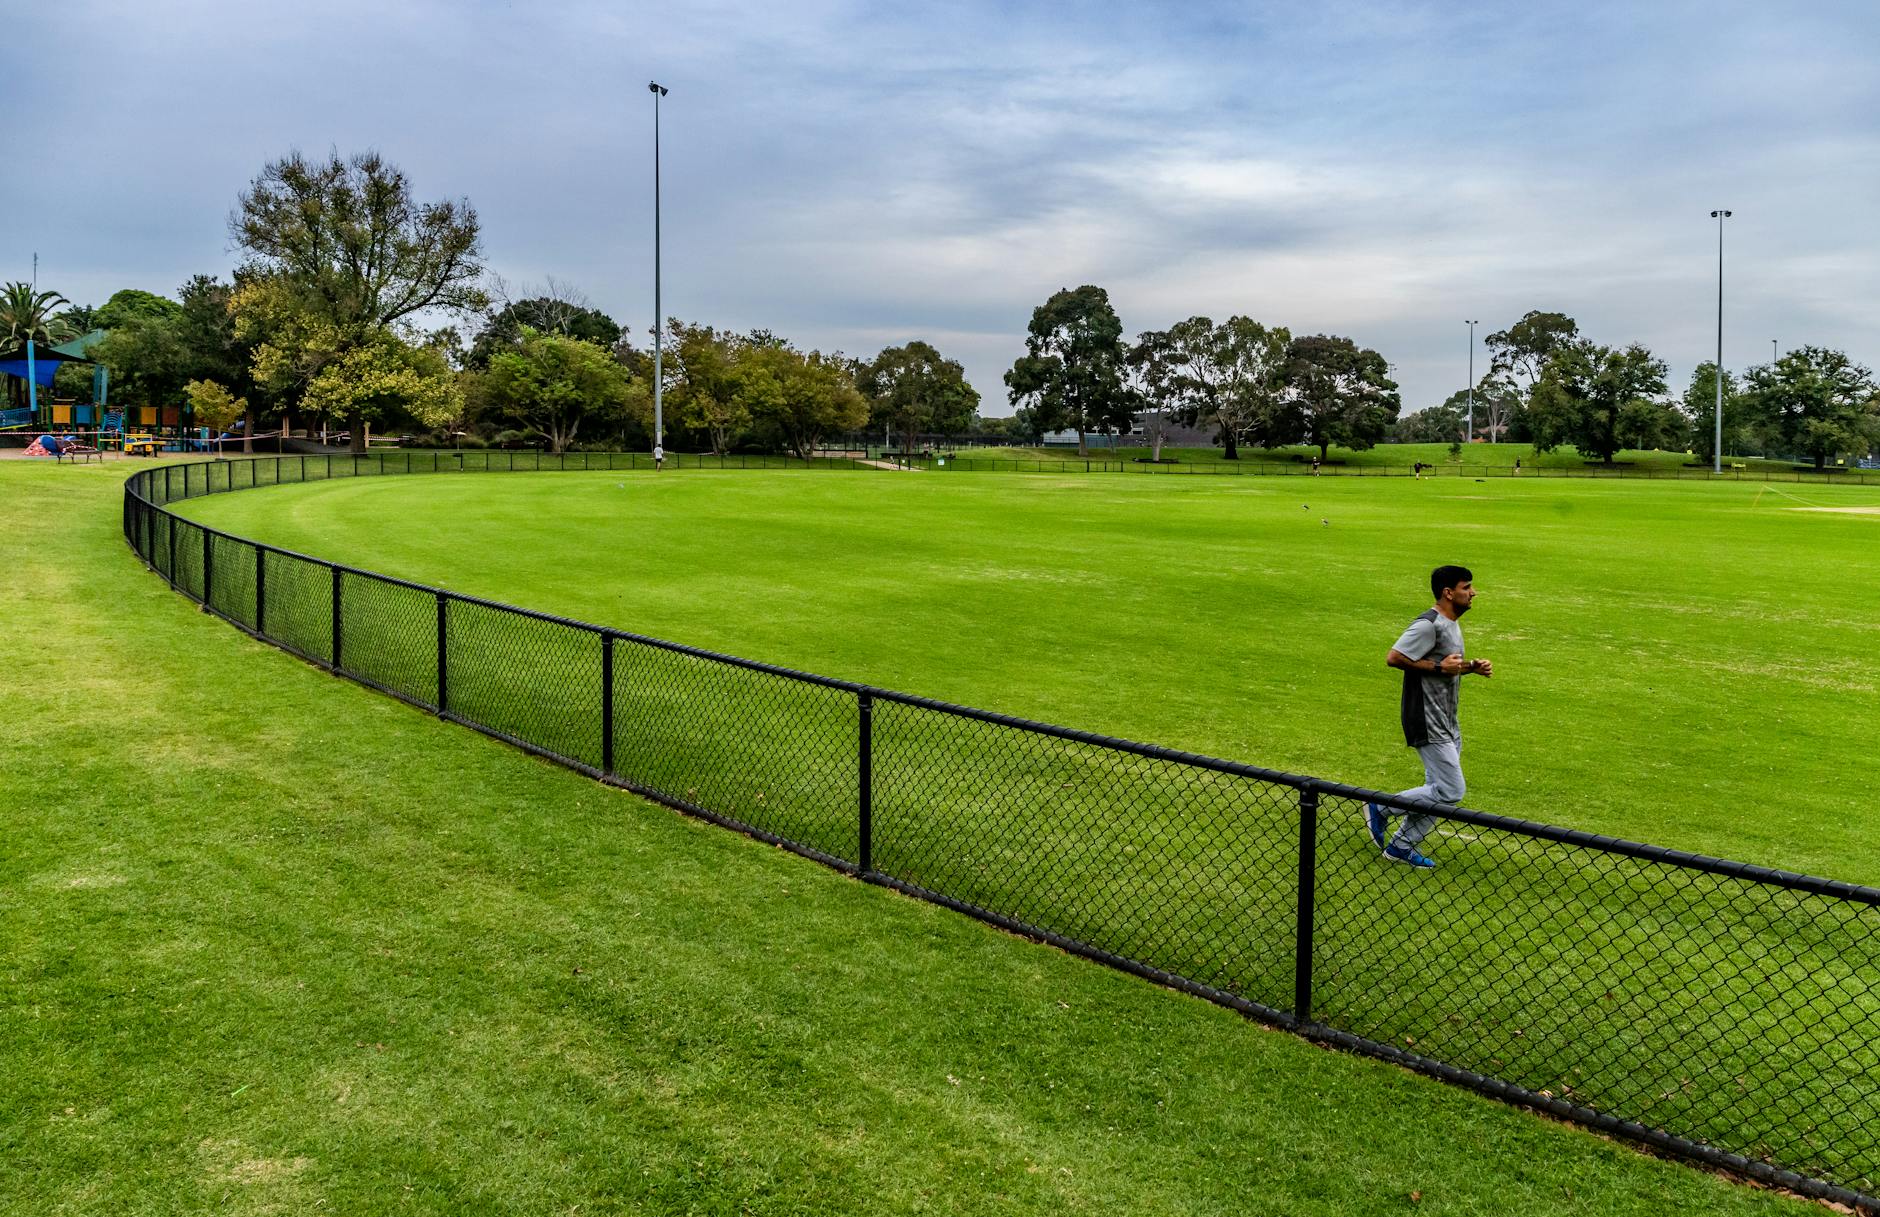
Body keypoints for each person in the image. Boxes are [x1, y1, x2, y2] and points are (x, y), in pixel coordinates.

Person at [1365, 565, 1492, 868]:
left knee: (1436, 791)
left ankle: (1401, 847)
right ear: (1449, 593)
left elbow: (1444, 664)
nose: (1473, 593)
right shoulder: (1429, 624)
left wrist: (1470, 667)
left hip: (1447, 719)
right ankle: (1380, 807)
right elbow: (1394, 657)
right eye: (1467, 587)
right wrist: (1439, 669)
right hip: (1426, 719)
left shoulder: (1451, 624)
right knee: (1450, 790)